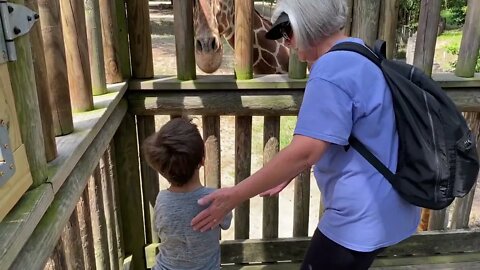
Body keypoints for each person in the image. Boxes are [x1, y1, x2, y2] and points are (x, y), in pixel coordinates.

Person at [191, 0, 421, 269]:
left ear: (308, 25)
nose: (286, 43)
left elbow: (305, 151)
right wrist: (290, 169)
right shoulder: (359, 52)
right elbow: (341, 134)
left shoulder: (329, 71)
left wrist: (234, 196)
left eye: (288, 32)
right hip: (393, 209)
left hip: (359, 219)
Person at [143, 117, 232, 270]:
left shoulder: (162, 199)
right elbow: (226, 222)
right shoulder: (214, 199)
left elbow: (158, 228)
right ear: (202, 160)